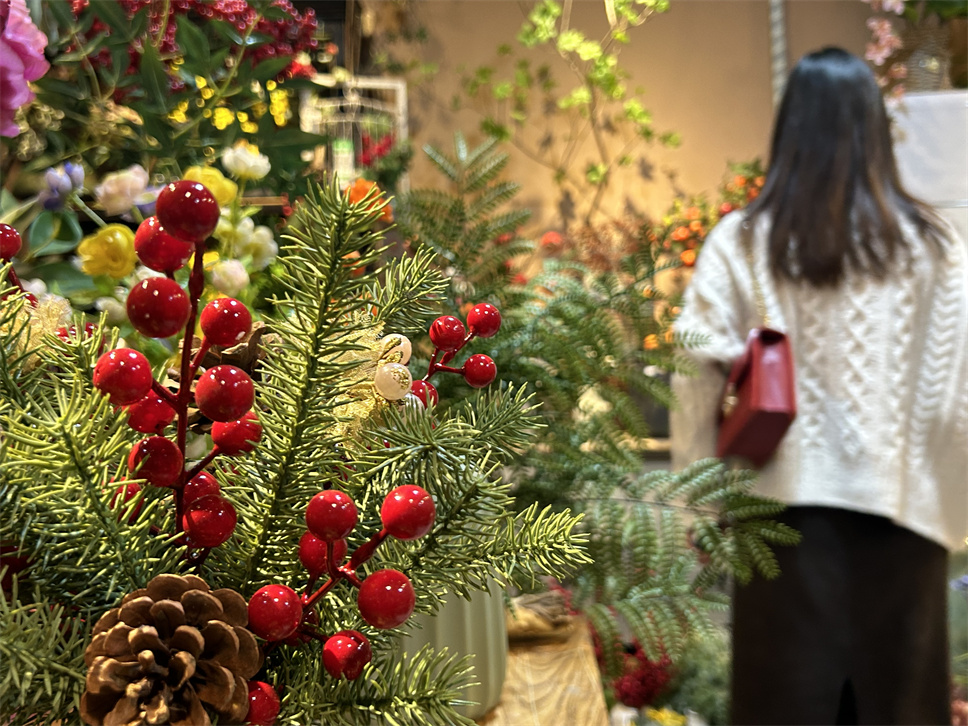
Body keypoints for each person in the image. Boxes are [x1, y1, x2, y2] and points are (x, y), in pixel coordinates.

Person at [670, 47, 967, 725]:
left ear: (789, 130)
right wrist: (945, 496)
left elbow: (694, 364)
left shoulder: (743, 240)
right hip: (905, 524)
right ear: (875, 129)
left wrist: (693, 502)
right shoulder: (937, 249)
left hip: (778, 525)